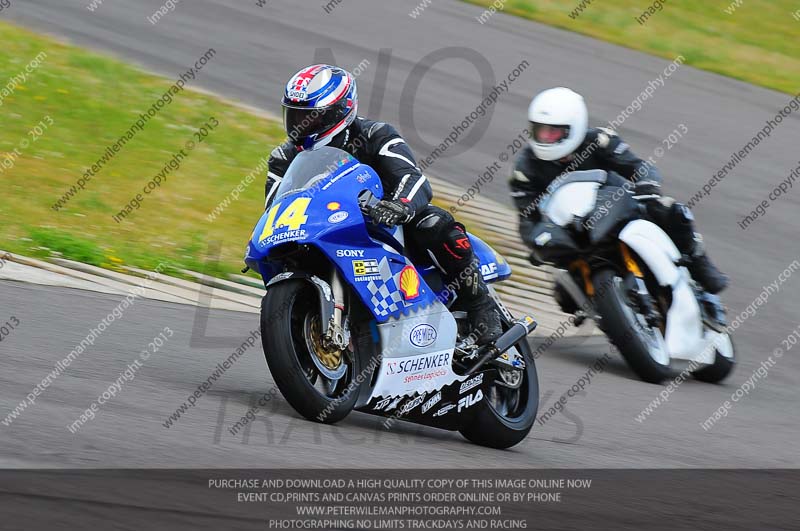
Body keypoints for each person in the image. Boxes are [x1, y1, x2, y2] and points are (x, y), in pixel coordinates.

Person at [265, 64, 501, 344]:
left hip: (384, 225)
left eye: (311, 118)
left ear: (340, 111)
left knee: (433, 223)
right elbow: (275, 209)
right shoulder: (283, 158)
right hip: (325, 230)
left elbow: (413, 179)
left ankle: (480, 306)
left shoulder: (376, 135)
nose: (300, 126)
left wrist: (398, 206)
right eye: (294, 116)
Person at [510, 87, 728, 305]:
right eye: (540, 131)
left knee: (669, 210)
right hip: (574, 233)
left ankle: (700, 264)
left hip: (620, 210)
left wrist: (647, 186)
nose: (546, 138)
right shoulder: (525, 168)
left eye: (553, 132)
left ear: (573, 129)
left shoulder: (600, 140)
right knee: (565, 297)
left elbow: (639, 167)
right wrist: (538, 240)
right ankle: (613, 317)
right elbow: (527, 218)